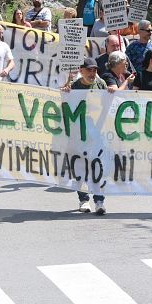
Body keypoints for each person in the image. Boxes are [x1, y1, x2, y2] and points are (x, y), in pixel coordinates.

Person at [61, 57, 108, 214]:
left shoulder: (101, 84)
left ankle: (99, 201)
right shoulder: (74, 86)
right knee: (80, 167)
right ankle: (83, 200)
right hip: (79, 133)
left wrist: (112, 93)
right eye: (89, 70)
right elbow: (63, 103)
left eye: (95, 69)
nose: (93, 73)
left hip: (97, 132)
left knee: (97, 167)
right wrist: (65, 90)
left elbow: (108, 104)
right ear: (81, 71)